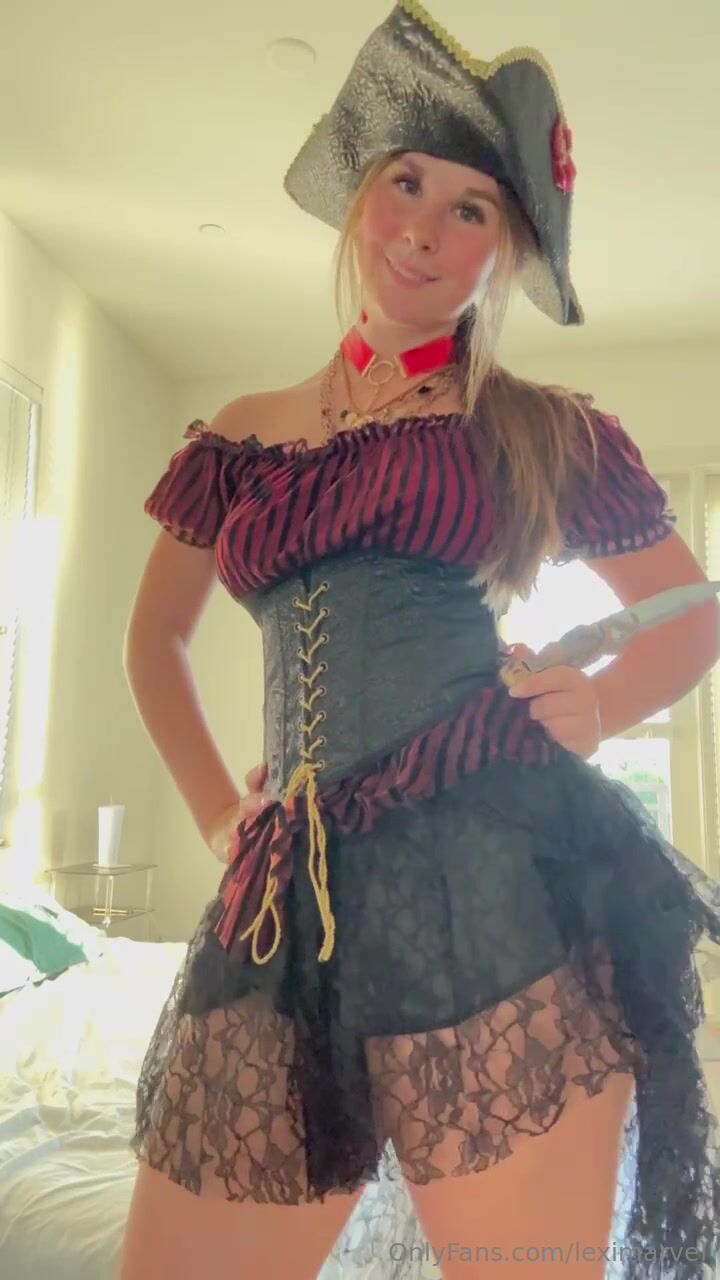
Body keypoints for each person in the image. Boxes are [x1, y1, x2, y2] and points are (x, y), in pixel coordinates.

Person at [117, 2, 720, 1277]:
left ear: (505, 248)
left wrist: (601, 705)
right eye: (407, 183)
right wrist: (221, 811)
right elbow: (156, 638)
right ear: (361, 196)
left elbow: (693, 610)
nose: (425, 229)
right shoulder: (242, 434)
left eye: (471, 208)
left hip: (487, 873)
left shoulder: (539, 429)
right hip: (285, 905)